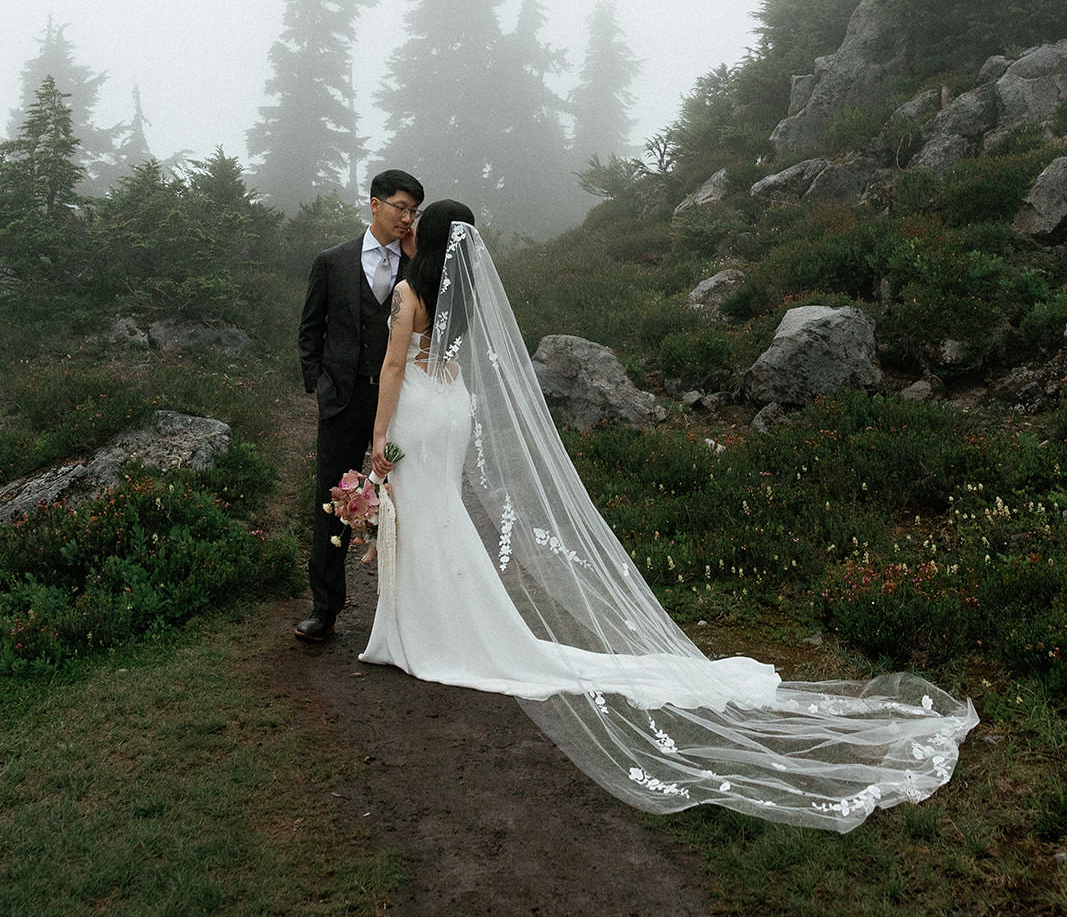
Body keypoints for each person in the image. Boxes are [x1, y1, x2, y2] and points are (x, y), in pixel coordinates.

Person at [356, 200, 979, 832]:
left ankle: (425, 630)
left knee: (419, 512)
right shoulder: (460, 295)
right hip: (451, 407)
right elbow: (455, 357)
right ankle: (439, 622)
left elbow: (393, 364)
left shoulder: (410, 292)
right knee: (441, 515)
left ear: (428, 236)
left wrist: (378, 437)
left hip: (415, 411)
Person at [294, 168, 424, 642]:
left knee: (401, 501)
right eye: (399, 208)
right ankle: (324, 610)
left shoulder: (417, 266)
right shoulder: (332, 261)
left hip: (399, 404)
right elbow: (310, 331)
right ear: (374, 204)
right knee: (333, 503)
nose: (407, 218)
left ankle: (403, 615)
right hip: (342, 403)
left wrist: (413, 259)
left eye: (413, 211)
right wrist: (319, 387)